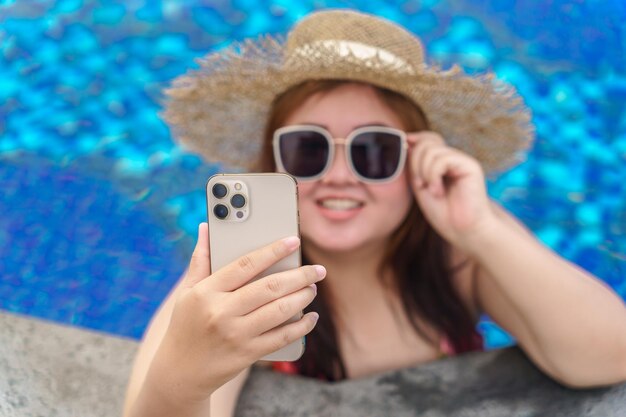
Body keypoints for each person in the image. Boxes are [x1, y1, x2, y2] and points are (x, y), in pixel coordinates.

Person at [123, 9, 626, 417]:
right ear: (275, 165)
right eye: (308, 149)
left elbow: (609, 356)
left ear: (418, 164)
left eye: (374, 151)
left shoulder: (460, 250)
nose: (340, 175)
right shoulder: (246, 272)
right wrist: (183, 373)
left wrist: (483, 229)